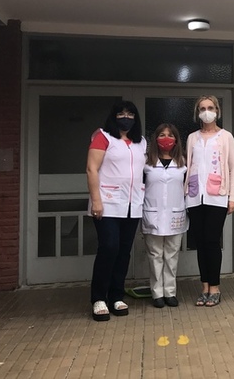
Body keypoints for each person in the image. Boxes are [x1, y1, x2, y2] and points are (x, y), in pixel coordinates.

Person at [86, 100, 147, 321]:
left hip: (132, 205)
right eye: (121, 113)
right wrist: (96, 200)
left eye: (130, 114)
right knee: (108, 247)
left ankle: (116, 296)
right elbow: (92, 169)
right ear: (114, 116)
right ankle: (99, 298)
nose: (126, 117)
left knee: (123, 251)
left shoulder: (141, 142)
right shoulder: (103, 136)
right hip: (107, 204)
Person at [184, 95, 234, 307]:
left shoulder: (226, 137)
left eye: (210, 107)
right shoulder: (192, 138)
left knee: (212, 241)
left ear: (217, 110)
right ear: (197, 112)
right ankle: (204, 286)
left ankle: (215, 287)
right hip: (195, 197)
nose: (206, 111)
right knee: (200, 243)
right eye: (202, 108)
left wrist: (232, 197)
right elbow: (188, 166)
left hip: (218, 197)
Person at [142, 123, 188, 308]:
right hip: (152, 214)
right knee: (155, 255)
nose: (166, 138)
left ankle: (170, 292)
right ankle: (157, 293)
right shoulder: (146, 163)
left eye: (170, 135)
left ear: (176, 140)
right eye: (162, 135)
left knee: (171, 255)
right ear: (155, 139)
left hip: (176, 214)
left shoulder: (183, 163)